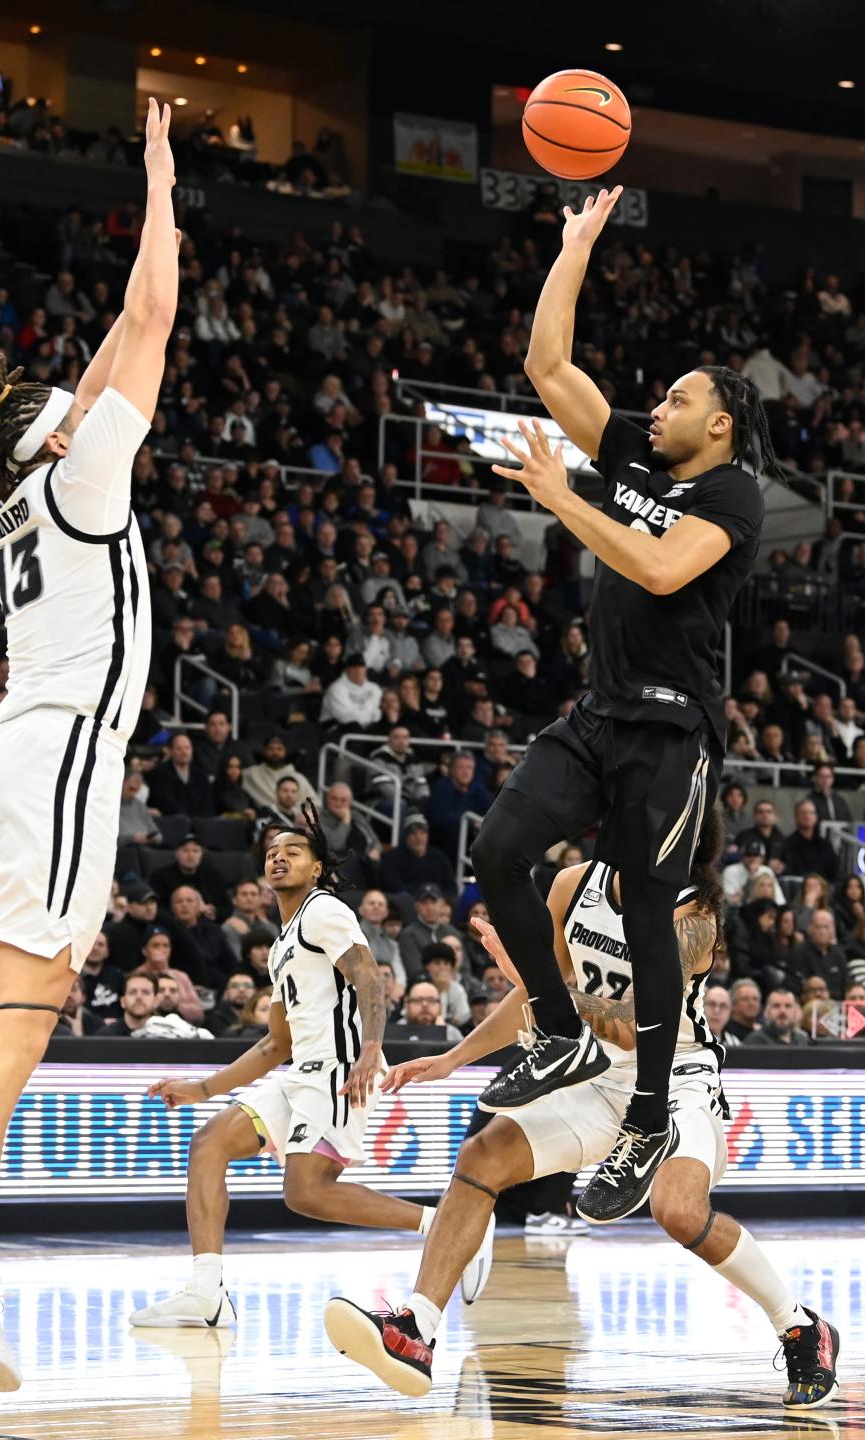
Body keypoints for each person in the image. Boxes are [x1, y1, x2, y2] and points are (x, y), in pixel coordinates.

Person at [0, 98, 177, 1392]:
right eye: (74, 399)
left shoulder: (21, 496)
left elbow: (119, 339)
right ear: (57, 433)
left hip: (7, 765)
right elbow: (150, 321)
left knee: (7, 1023)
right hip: (62, 754)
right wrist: (163, 184)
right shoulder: (75, 477)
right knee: (20, 1016)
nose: (93, 393)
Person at [464, 188, 773, 1220]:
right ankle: (553, 1030)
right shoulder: (632, 458)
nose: (657, 409)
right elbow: (548, 365)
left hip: (673, 734)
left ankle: (647, 1119)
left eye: (678, 399)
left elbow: (655, 565)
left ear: (719, 421)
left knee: (646, 910)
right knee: (499, 851)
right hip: (599, 718)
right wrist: (577, 246)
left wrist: (561, 498)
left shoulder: (733, 498)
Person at [325, 808, 840, 1410]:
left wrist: (537, 980)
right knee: (482, 1154)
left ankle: (801, 1324)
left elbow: (632, 1027)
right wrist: (453, 1058)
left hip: (675, 1077)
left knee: (678, 1210)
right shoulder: (573, 884)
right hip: (600, 1073)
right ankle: (417, 1329)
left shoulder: (694, 915)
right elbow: (537, 995)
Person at [130, 804, 493, 1330]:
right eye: (272, 853)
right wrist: (202, 1088)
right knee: (209, 1144)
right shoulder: (283, 942)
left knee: (305, 1192)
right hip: (301, 1070)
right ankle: (206, 1292)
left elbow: (370, 978)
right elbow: (275, 1044)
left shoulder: (324, 910)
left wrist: (372, 1048)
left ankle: (456, 1226)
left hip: (341, 1067)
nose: (279, 859)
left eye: (293, 852)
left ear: (317, 866)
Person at [743, 989, 811, 1047]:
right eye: (776, 1006)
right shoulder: (755, 1041)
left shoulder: (802, 1040)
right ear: (766, 1012)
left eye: (788, 1006)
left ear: (795, 1012)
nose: (782, 1011)